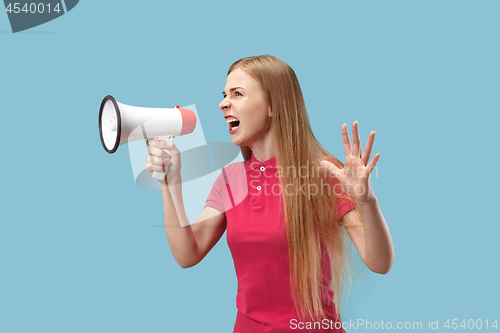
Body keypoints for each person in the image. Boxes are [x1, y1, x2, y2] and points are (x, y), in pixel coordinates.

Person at [145, 55, 394, 332]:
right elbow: (187, 254)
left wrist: (367, 202)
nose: (223, 103)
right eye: (224, 94)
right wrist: (170, 184)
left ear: (274, 106)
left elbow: (380, 263)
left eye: (237, 94)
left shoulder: (324, 172)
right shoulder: (230, 179)